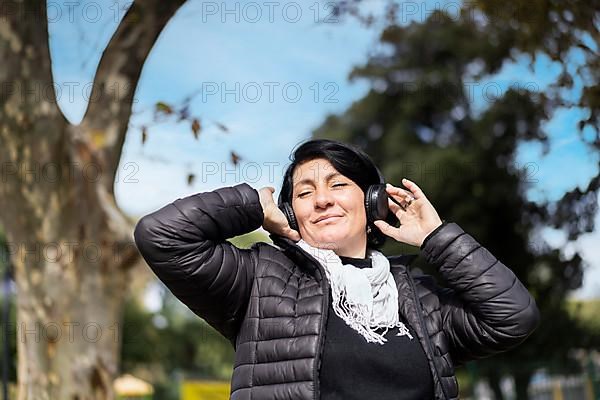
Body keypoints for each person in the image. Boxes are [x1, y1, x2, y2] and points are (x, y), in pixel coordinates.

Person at [133, 139, 540, 400]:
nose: (322, 200)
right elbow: (162, 236)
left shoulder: (420, 297)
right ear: (292, 212)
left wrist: (437, 237)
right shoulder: (260, 278)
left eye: (338, 185)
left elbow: (513, 317)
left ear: (374, 202)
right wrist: (254, 207)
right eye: (305, 193)